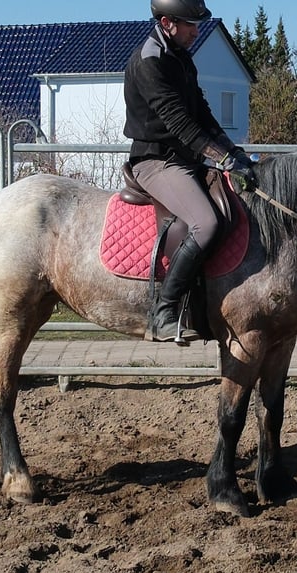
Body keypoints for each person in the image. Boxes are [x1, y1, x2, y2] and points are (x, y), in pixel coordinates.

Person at [123, 0, 257, 343]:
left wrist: (233, 152)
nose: (196, 32)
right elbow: (179, 124)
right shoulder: (149, 60)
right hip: (156, 161)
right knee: (206, 223)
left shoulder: (181, 57)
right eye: (190, 25)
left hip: (185, 160)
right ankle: (164, 312)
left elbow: (202, 113)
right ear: (167, 22)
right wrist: (221, 159)